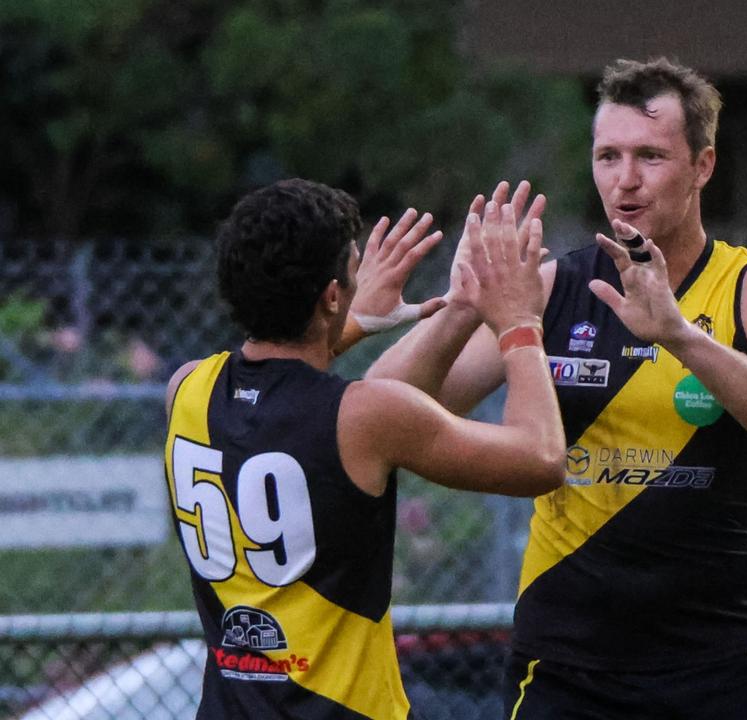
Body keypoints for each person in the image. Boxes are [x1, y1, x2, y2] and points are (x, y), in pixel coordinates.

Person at [370, 57, 747, 719]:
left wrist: (679, 335)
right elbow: (384, 409)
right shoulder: (554, 286)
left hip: (710, 660)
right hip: (564, 663)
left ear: (703, 165)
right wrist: (468, 304)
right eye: (607, 156)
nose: (626, 180)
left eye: (650, 156)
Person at [163, 178, 565, 719]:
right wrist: (519, 323)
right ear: (331, 294)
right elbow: (541, 459)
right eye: (354, 269)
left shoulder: (187, 389)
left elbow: (278, 383)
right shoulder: (367, 416)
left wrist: (355, 322)